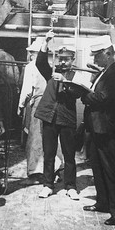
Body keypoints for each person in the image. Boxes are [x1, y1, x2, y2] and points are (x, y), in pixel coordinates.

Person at [81, 35, 115, 225]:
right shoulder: (106, 70)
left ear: (107, 54)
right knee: (98, 167)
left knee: (112, 170)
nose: (94, 60)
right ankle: (103, 202)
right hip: (97, 128)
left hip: (108, 129)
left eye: (96, 56)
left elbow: (103, 97)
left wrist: (85, 95)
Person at [35, 30, 79, 200]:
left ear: (72, 60)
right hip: (49, 118)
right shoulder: (51, 73)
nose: (62, 61)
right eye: (60, 58)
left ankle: (71, 186)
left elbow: (77, 93)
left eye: (66, 59)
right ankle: (48, 185)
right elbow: (40, 62)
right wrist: (45, 41)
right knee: (49, 154)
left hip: (67, 120)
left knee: (69, 155)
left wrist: (65, 82)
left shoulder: (77, 76)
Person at [18, 38, 63, 184]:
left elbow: (27, 90)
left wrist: (20, 106)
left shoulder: (31, 67)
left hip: (38, 104)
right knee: (51, 139)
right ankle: (54, 169)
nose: (30, 55)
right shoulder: (52, 67)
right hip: (52, 105)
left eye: (32, 52)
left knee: (35, 138)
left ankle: (35, 172)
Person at [0, 43, 20, 136]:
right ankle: (8, 128)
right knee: (8, 107)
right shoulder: (11, 57)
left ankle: (2, 128)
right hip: (11, 85)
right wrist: (17, 84)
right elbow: (17, 72)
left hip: (0, 84)